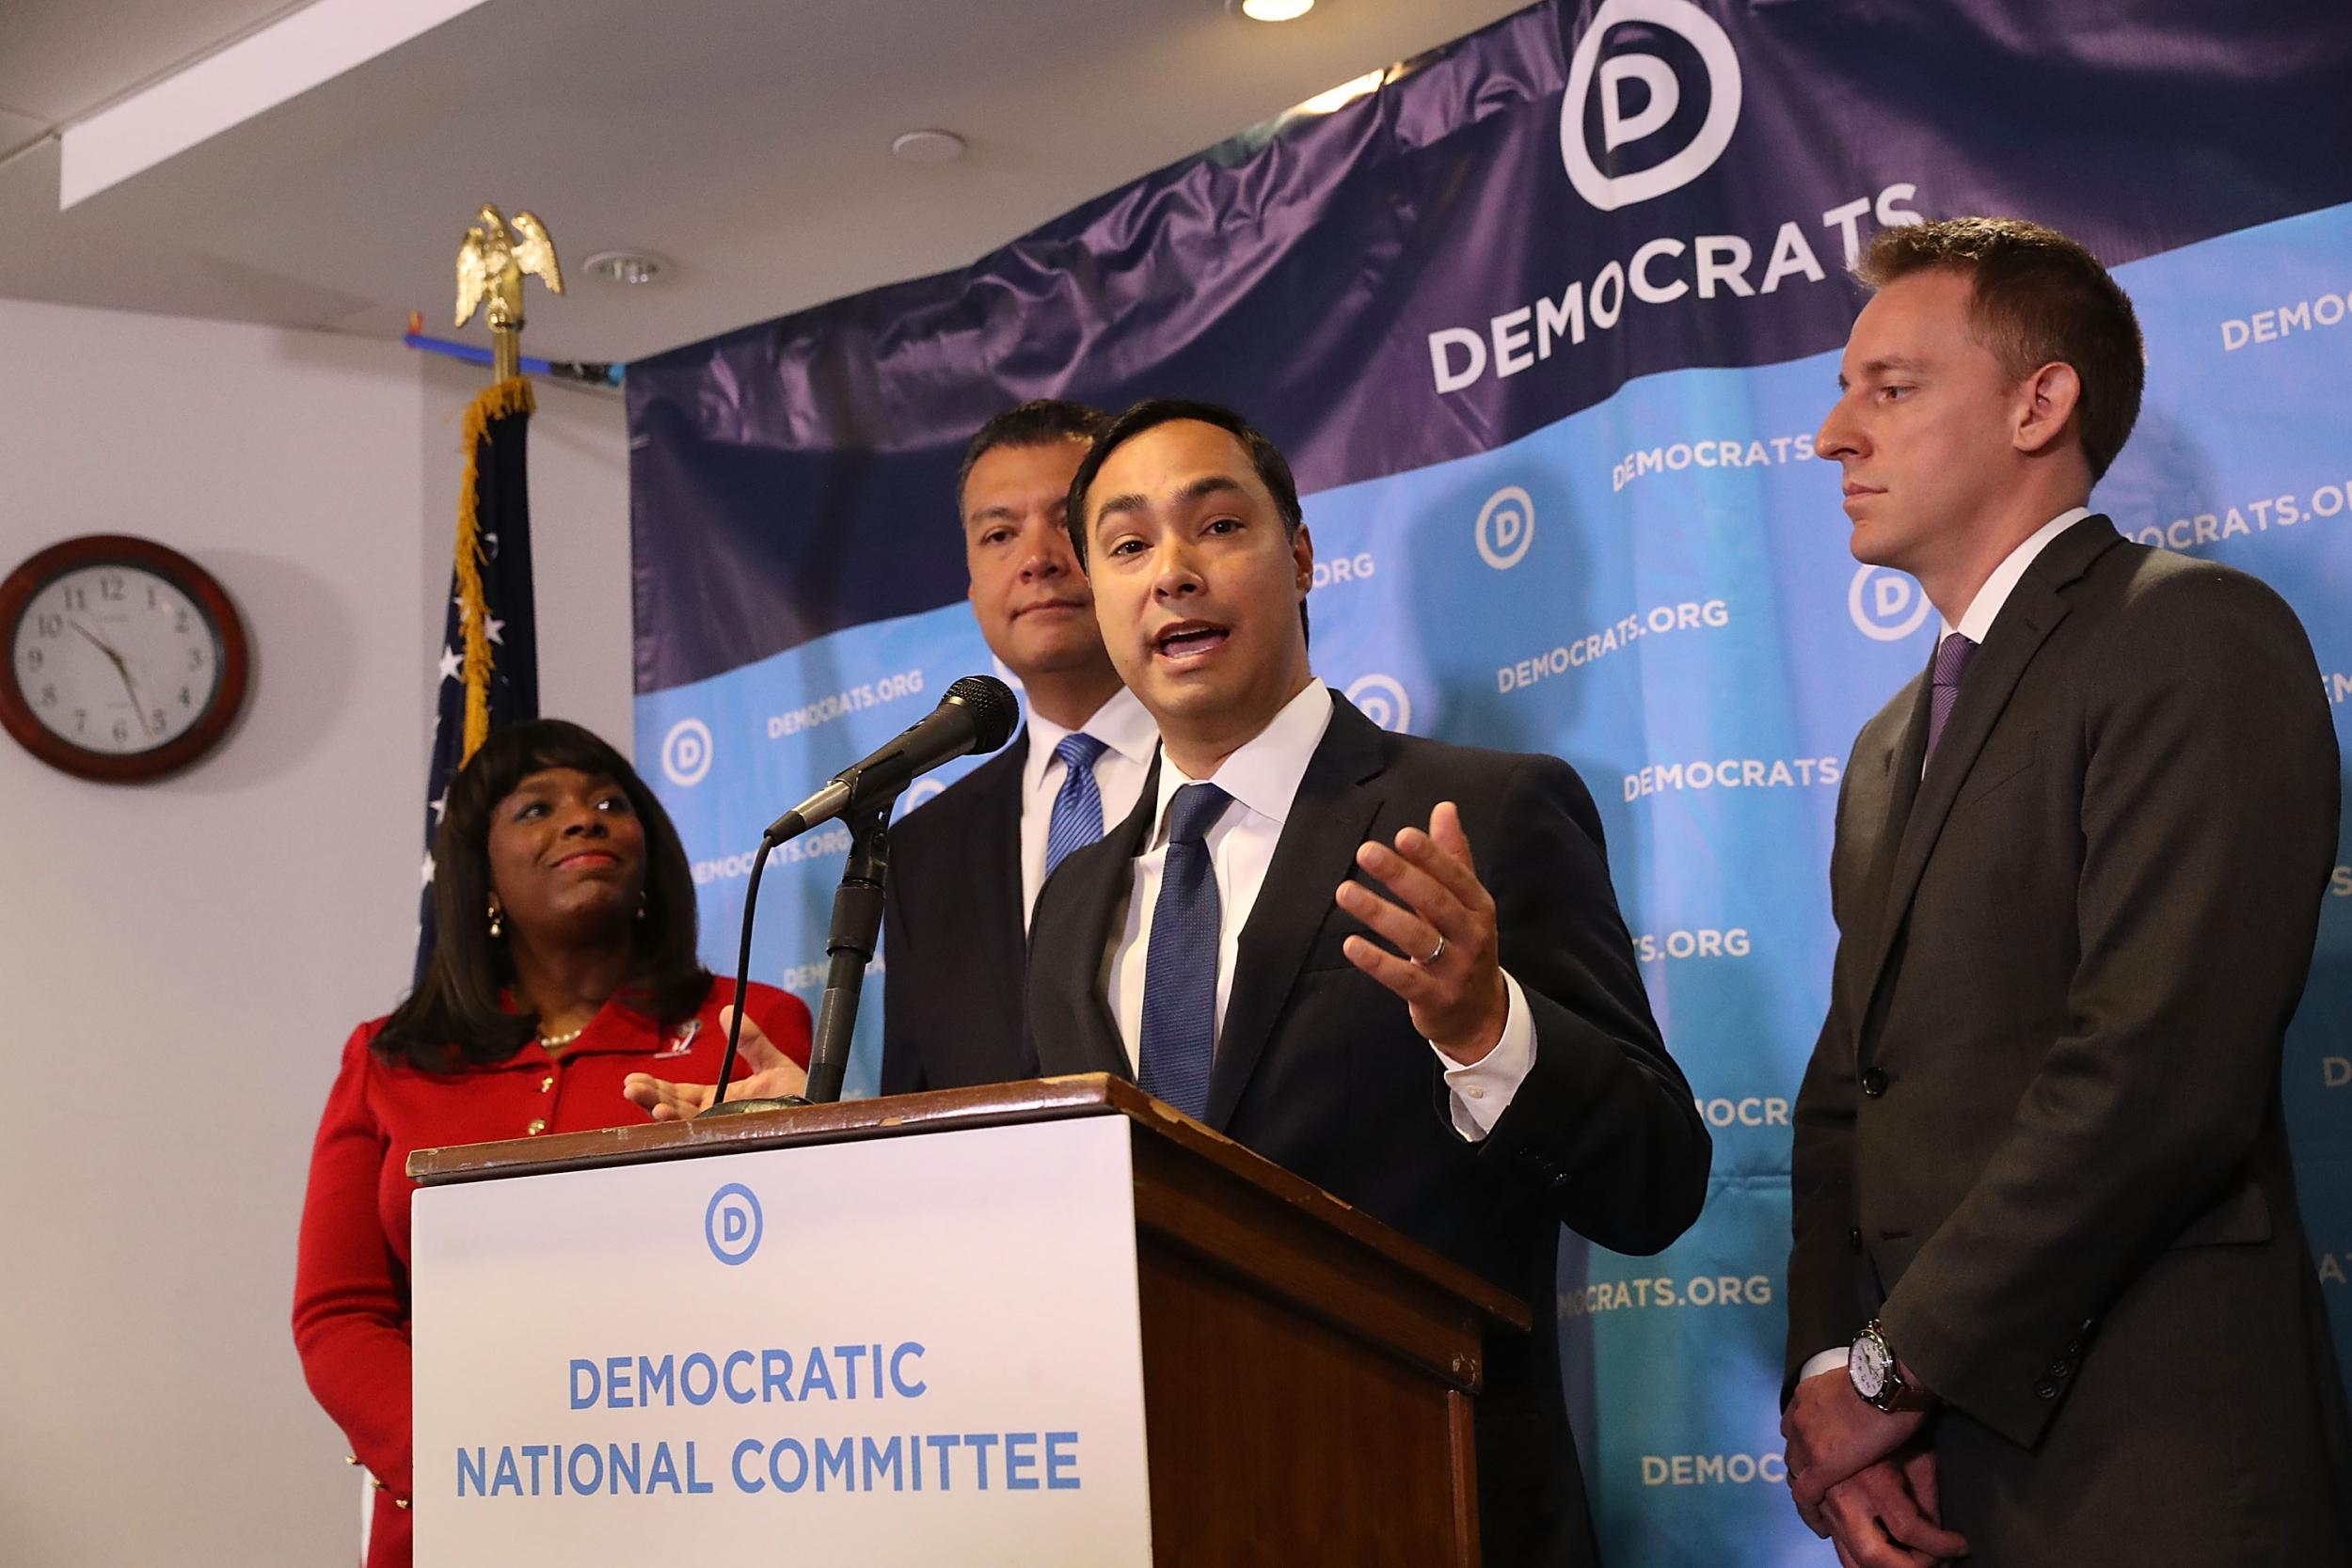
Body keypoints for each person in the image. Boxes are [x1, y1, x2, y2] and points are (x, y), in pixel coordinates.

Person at [1024, 399, 1711, 1565]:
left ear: (1298, 555)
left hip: (1434, 1506)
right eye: (1129, 546)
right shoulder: (1071, 899)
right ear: (1096, 596)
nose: (1173, 574)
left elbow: (1654, 1181)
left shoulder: (1480, 814)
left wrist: (1487, 1027)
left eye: (1218, 525)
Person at [1781, 216, 2352, 1566]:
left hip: (2154, 1480)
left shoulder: (2191, 632)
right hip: (1935, 1493)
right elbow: (1841, 1105)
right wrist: (1832, 1395)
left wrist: (1882, 1375)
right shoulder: (1881, 750)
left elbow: (2156, 1077)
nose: (1830, 435)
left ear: (2041, 401)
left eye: (1889, 387)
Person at [293, 720, 811, 1568]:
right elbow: (339, 1312)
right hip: (451, 1521)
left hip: (692, 1503)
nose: (583, 819)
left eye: (609, 802)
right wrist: (467, 1467)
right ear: (481, 875)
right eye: (537, 808)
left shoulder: (748, 1028)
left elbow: (799, 1281)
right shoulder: (387, 1059)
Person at [876, 400, 1157, 1093]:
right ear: (973, 589)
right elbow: (913, 1103)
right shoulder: (921, 851)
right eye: (999, 534)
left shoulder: (1229, 772)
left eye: (1067, 522)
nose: (1036, 560)